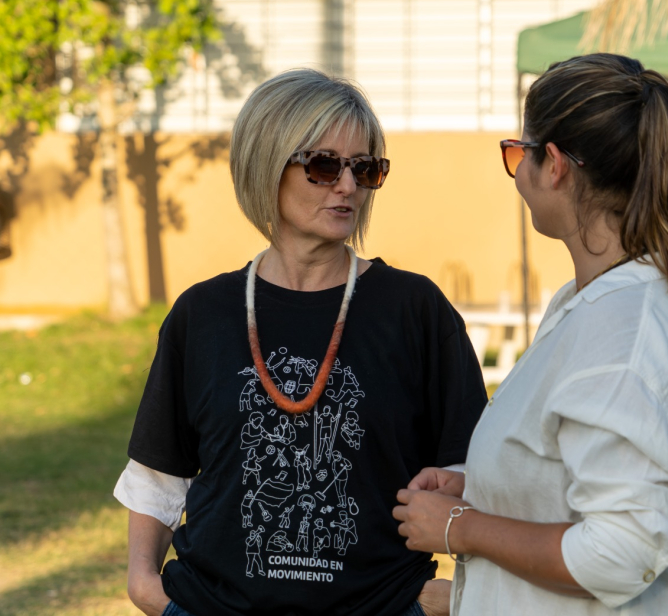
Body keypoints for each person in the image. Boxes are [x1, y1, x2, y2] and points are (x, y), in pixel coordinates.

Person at [114, 68, 487, 616]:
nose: (347, 185)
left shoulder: (414, 309)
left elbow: (480, 471)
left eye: (365, 169)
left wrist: (440, 597)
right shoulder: (204, 313)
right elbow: (158, 474)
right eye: (323, 165)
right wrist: (145, 587)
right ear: (267, 164)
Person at [393, 53, 668, 615]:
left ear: (554, 164)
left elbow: (621, 550)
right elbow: (591, 474)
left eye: (518, 155)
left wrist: (463, 527)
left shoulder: (622, 331)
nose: (517, 173)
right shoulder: (608, 300)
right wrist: (481, 484)